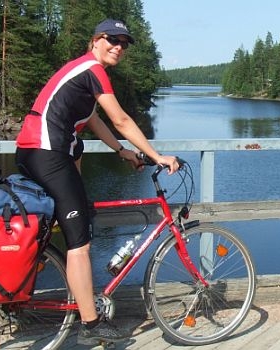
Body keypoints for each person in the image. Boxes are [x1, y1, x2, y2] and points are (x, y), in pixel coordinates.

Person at [14, 18, 179, 345]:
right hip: (47, 153)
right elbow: (120, 119)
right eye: (111, 39)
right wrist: (157, 156)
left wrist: (122, 151)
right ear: (95, 40)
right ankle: (90, 326)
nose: (118, 46)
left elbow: (93, 119)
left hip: (38, 152)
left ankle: (40, 269)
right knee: (80, 244)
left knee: (77, 218)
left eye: (124, 43)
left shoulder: (83, 71)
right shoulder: (93, 69)